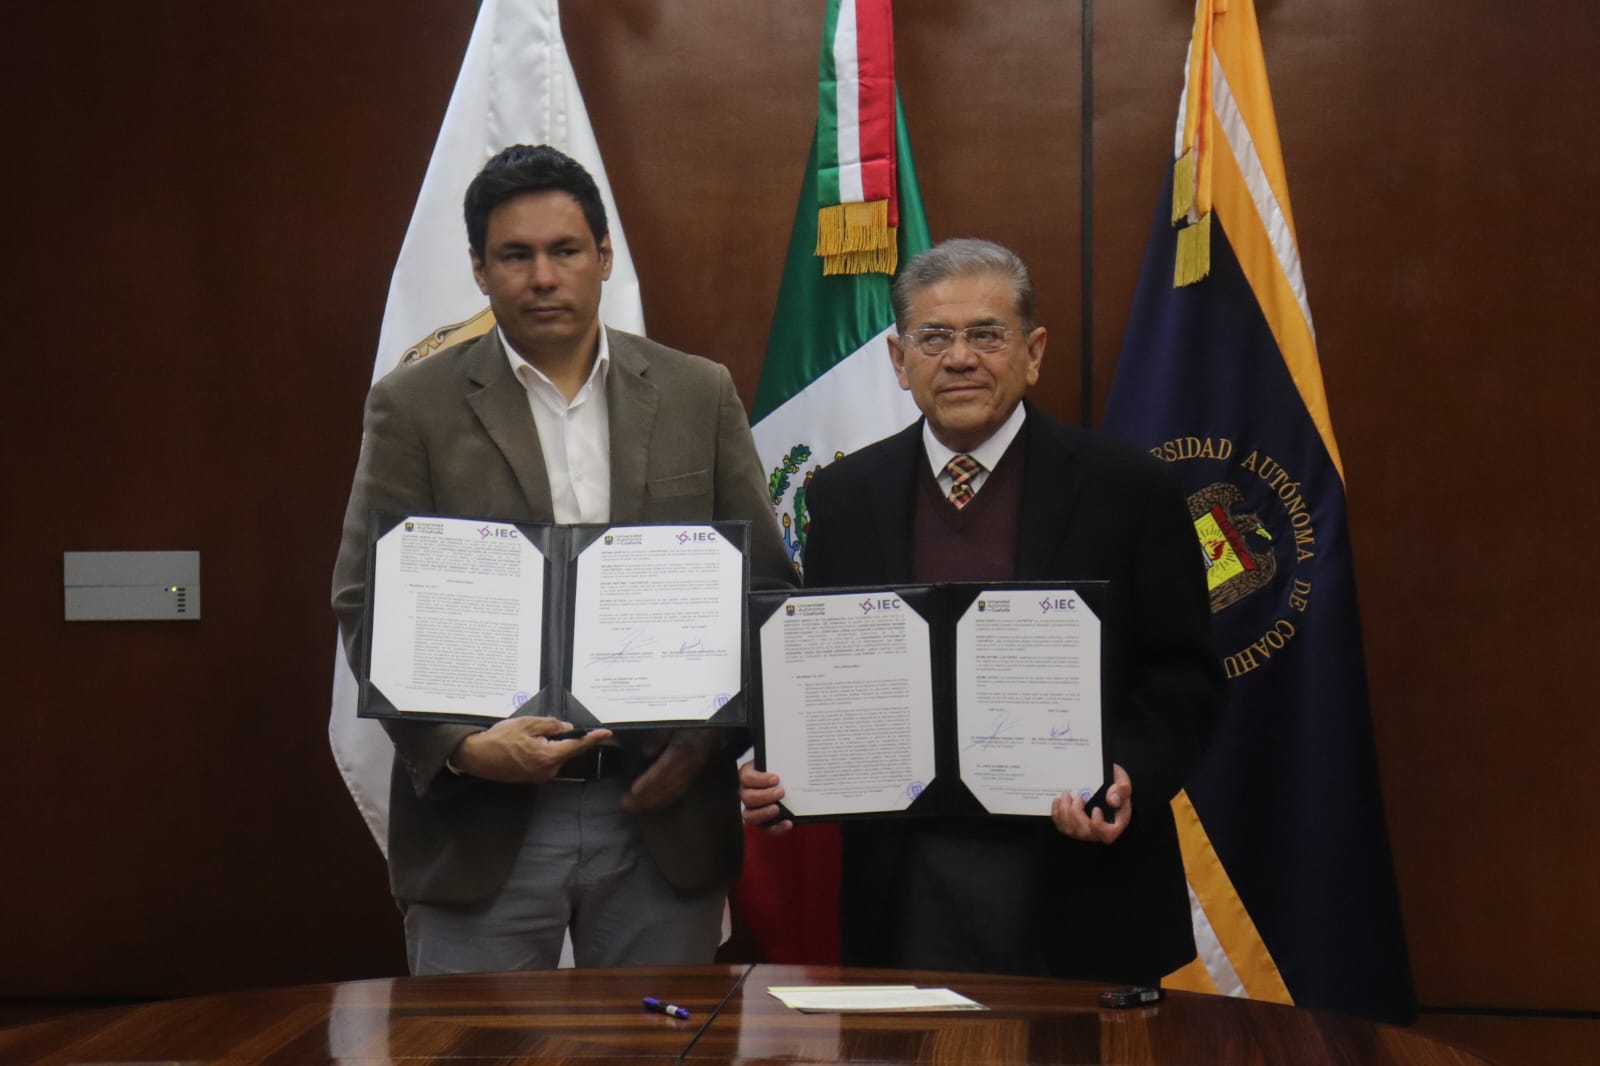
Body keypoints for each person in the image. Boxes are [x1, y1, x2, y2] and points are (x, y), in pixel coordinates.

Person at [332, 144, 793, 974]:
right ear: (480, 271)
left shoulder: (698, 393)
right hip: (482, 820)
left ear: (604, 257)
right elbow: (366, 599)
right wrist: (463, 748)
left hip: (661, 813)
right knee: (480, 1043)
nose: (543, 277)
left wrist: (701, 748)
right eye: (515, 255)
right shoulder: (414, 406)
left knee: (657, 1040)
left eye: (565, 250)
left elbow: (766, 592)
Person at [740, 238, 1223, 982]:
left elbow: (1184, 675)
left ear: (1034, 353)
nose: (959, 358)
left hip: (1080, 870)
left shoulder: (1130, 490)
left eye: (987, 335)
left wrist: (1128, 771)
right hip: (904, 880)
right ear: (899, 360)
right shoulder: (843, 496)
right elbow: (827, 674)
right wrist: (786, 775)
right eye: (934, 337)